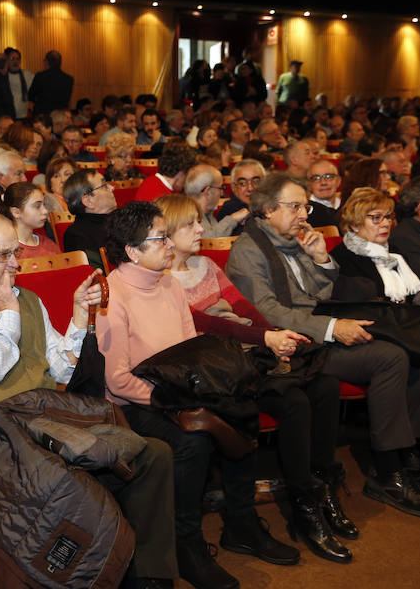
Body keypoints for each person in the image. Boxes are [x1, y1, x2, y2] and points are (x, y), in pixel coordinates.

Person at [0, 212, 176, 588]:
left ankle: (148, 578)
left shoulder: (28, 299)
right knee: (66, 477)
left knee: (153, 454)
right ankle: (89, 577)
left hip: (40, 423)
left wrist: (76, 316)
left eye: (15, 252)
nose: (15, 262)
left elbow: (59, 370)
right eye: (4, 254)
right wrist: (7, 311)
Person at [97, 201, 307, 589]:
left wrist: (207, 390)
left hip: (178, 387)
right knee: (191, 442)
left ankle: (241, 524)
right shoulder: (114, 298)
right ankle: (185, 545)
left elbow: (191, 349)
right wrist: (174, 400)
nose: (168, 245)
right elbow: (117, 382)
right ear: (132, 251)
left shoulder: (169, 284)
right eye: (159, 238)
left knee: (239, 410)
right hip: (139, 401)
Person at [225, 172, 420, 518]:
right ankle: (388, 470)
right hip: (294, 345)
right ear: (268, 209)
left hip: (318, 330)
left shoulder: (293, 240)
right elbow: (268, 313)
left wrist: (321, 259)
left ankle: (412, 449)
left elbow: (322, 293)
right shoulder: (248, 251)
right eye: (295, 206)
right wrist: (331, 327)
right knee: (390, 357)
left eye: (305, 206)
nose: (304, 214)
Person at [332, 187, 420, 470]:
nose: (385, 223)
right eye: (375, 218)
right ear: (355, 223)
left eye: (388, 217)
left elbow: (405, 300)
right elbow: (374, 309)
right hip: (369, 330)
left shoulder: (390, 254)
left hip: (399, 323)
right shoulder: (345, 258)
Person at [62, 169, 116, 267]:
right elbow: (97, 275)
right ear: (88, 201)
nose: (112, 188)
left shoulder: (121, 219)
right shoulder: (76, 235)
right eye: (104, 186)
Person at [0, 182, 60, 259]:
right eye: (37, 206)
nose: (45, 211)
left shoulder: (50, 246)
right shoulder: (5, 250)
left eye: (44, 205)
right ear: (16, 212)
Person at [183, 164, 249, 238]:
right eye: (220, 188)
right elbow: (204, 241)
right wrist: (233, 219)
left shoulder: (208, 214)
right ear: (207, 192)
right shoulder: (185, 216)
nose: (222, 193)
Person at [215, 158, 266, 235]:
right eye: (242, 183)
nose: (250, 188)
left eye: (256, 182)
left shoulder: (273, 206)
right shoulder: (228, 212)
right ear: (233, 187)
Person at [28, 50, 74, 116]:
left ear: (46, 61)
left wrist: (39, 101)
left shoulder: (40, 76)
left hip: (42, 115)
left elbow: (30, 96)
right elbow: (67, 100)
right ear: (60, 63)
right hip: (60, 115)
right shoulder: (69, 79)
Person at [305, 160, 341, 227]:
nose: (323, 182)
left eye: (329, 177)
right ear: (308, 185)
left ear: (338, 181)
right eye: (316, 178)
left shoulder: (347, 206)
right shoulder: (305, 212)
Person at [4, 47, 33, 120]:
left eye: (17, 59)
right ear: (7, 60)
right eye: (12, 59)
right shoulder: (3, 76)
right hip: (6, 114)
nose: (15, 62)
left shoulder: (27, 75)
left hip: (22, 115)